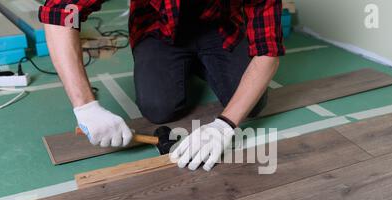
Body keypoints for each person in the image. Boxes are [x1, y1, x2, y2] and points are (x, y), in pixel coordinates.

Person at [39, 0, 284, 171]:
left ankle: (203, 62)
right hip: (159, 29)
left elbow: (267, 51)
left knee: (252, 106)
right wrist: (85, 107)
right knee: (158, 108)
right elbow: (60, 12)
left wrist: (224, 125)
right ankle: (183, 64)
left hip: (219, 28)